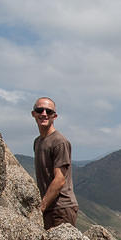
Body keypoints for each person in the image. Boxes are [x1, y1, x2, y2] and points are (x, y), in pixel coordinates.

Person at [32, 96, 78, 230]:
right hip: (49, 208)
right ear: (33, 114)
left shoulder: (59, 142)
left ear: (55, 116)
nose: (44, 114)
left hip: (61, 208)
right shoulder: (38, 142)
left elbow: (60, 180)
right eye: (40, 110)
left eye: (49, 111)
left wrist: (41, 206)